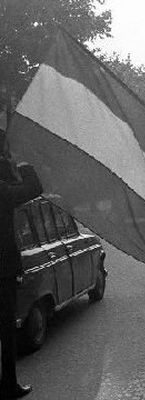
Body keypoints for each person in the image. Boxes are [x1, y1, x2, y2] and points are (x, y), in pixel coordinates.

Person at [0, 137, 42, 399]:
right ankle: (8, 385)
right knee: (5, 330)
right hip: (2, 272)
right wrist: (22, 159)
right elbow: (33, 187)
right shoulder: (2, 190)